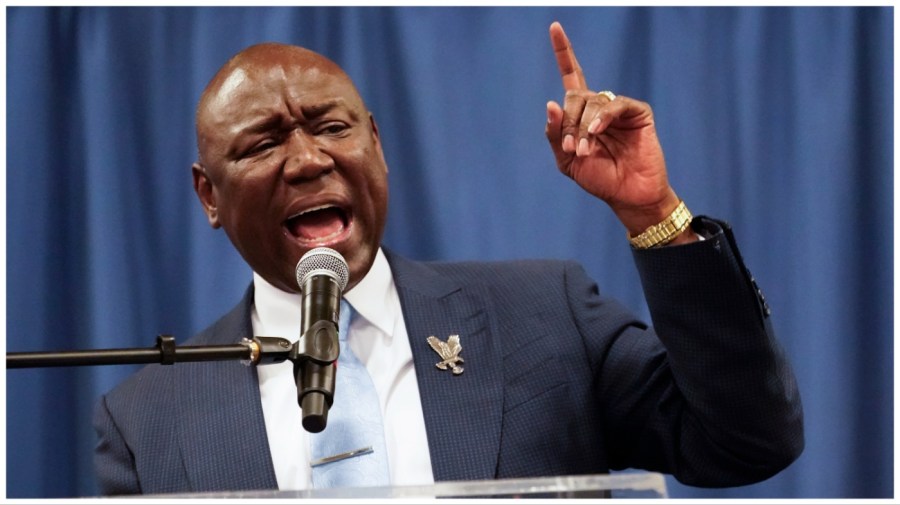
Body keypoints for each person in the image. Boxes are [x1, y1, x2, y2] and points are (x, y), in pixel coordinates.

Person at [93, 22, 803, 495]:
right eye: (262, 144)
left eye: (333, 127)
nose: (308, 159)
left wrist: (654, 214)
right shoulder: (148, 422)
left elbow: (745, 440)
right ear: (208, 195)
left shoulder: (545, 314)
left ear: (377, 144)